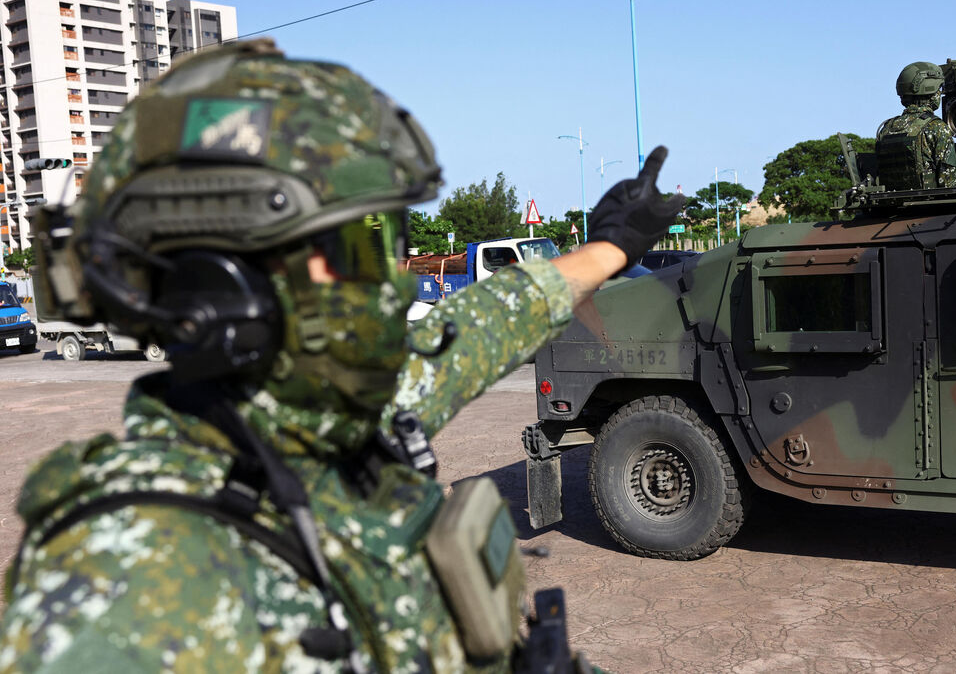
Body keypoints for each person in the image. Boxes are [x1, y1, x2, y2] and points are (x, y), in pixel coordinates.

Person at [0, 39, 684, 672]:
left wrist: (612, 246)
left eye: (387, 240)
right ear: (223, 286)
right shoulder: (116, 600)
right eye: (353, 248)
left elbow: (485, 322)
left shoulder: (346, 411)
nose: (389, 282)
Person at [875, 61, 956, 190]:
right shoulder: (936, 128)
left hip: (893, 206)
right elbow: (950, 181)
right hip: (929, 205)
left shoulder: (886, 129)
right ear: (931, 93)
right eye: (938, 90)